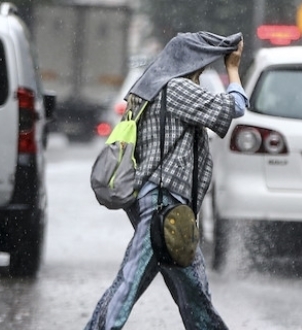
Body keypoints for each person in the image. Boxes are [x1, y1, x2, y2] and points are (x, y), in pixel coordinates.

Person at [83, 31, 248, 330]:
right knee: (129, 282)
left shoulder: (147, 87)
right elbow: (234, 107)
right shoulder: (177, 89)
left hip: (158, 202)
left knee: (193, 291)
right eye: (201, 64)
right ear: (190, 62)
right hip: (164, 203)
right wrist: (233, 68)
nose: (202, 70)